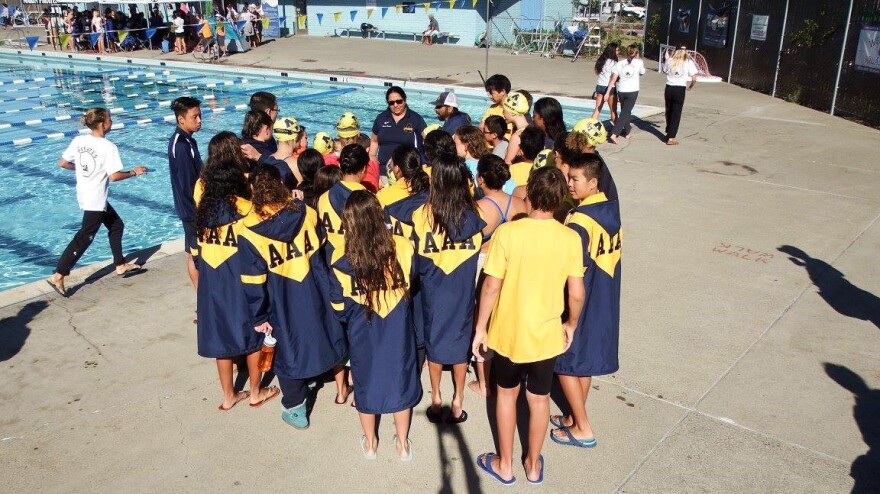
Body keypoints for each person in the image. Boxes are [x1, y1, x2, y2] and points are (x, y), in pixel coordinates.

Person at [472, 166, 585, 486]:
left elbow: (491, 286)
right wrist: (571, 324)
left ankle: (504, 464)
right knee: (539, 399)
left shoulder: (509, 233)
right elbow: (576, 293)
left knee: (506, 396)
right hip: (546, 335)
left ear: (530, 195)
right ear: (560, 197)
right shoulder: (569, 238)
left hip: (508, 331)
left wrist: (481, 327)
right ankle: (533, 464)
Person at [239, 165, 348, 429]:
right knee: (325, 333)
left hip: (281, 297)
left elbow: (254, 281)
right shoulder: (307, 212)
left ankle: (296, 407)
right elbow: (325, 252)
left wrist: (259, 315)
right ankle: (337, 387)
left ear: (252, 190)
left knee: (287, 350)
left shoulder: (249, 231)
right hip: (315, 287)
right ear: (282, 185)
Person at [329, 191, 420, 460]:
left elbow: (339, 307)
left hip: (362, 331)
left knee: (365, 383)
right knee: (401, 381)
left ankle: (370, 444)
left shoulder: (341, 257)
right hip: (397, 328)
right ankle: (402, 445)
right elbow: (412, 279)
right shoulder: (402, 246)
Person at [194, 159, 279, 411]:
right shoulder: (246, 209)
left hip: (212, 286)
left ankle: (228, 396)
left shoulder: (204, 214)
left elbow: (195, 256)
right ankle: (255, 391)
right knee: (254, 336)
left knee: (222, 343)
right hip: (240, 282)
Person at [551, 153, 621, 448]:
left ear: (593, 183)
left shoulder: (580, 222)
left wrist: (568, 316)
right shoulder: (610, 209)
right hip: (605, 295)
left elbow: (571, 272)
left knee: (565, 362)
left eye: (575, 179)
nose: (569, 184)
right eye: (569, 177)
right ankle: (573, 415)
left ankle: (582, 427)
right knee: (585, 362)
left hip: (583, 299)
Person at [411, 154, 484, 425]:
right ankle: (459, 399)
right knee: (459, 343)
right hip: (462, 287)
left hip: (434, 286)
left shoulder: (422, 214)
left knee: (435, 341)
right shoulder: (475, 214)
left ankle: (437, 396)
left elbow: (416, 256)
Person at [46, 108, 147, 297]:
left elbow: (62, 163)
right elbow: (114, 176)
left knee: (116, 225)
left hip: (85, 193)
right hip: (96, 198)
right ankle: (58, 275)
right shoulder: (108, 147)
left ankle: (120, 264)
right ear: (102, 123)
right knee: (85, 236)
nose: (112, 121)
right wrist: (134, 172)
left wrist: (83, 170)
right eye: (110, 119)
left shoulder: (79, 140)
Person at [468, 154, 527, 398]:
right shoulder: (520, 204)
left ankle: (484, 384)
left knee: (483, 322)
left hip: (486, 264)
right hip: (513, 266)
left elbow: (469, 241)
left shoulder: (480, 209)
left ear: (481, 178)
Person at [168, 97, 203, 290]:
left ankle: (201, 301)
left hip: (191, 209)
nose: (199, 120)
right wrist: (198, 211)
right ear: (181, 119)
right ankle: (203, 304)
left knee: (193, 252)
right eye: (195, 117)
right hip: (192, 211)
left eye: (200, 115)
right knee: (198, 256)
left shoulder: (188, 141)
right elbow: (187, 184)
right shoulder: (181, 146)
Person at [317, 144, 369, 266]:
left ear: (340, 165)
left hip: (328, 260)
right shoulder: (369, 200)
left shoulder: (324, 197)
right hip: (355, 263)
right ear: (364, 169)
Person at [370, 86, 427, 183]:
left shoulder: (415, 119)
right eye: (391, 103)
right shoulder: (381, 118)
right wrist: (373, 162)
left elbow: (426, 142)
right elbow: (374, 141)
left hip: (407, 174)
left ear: (404, 100)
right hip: (383, 172)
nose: (395, 105)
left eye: (399, 101)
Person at [606, 44, 645, 144]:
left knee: (625, 111)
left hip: (621, 91)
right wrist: (637, 58)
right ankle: (614, 133)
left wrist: (607, 92)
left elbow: (613, 79)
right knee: (625, 112)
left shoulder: (619, 63)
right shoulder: (639, 62)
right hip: (632, 90)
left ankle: (627, 131)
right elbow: (642, 72)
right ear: (636, 53)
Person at [663, 46, 698, 145]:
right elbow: (694, 78)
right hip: (679, 88)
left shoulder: (670, 60)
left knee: (669, 111)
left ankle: (669, 131)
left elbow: (665, 70)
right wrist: (690, 86)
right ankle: (671, 137)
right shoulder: (688, 62)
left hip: (669, 87)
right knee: (676, 112)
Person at [591, 43, 620, 123]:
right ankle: (617, 131)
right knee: (613, 110)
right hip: (610, 88)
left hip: (600, 86)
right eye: (617, 50)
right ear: (613, 51)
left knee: (597, 109)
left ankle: (589, 127)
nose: (618, 52)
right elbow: (613, 78)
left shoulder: (602, 60)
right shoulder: (614, 63)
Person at [501, 91, 531, 165]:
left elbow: (508, 163)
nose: (503, 113)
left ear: (512, 112)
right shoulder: (533, 129)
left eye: (504, 110)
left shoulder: (517, 136)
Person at [479, 74, 512, 139]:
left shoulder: (513, 109)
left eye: (492, 93)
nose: (490, 96)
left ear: (502, 92)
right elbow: (481, 126)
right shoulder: (492, 108)